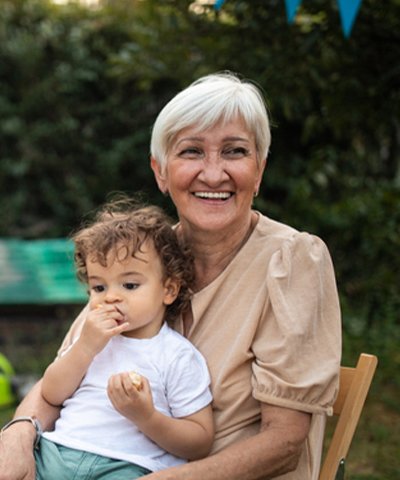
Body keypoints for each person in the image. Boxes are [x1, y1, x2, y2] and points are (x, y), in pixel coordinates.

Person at [0, 72, 341, 480]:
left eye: (234, 151)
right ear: (160, 171)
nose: (213, 174)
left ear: (260, 170)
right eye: (191, 151)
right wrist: (17, 436)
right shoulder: (138, 257)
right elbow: (57, 385)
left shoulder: (292, 260)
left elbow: (284, 444)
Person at [34, 200, 214, 479]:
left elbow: (200, 441)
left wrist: (146, 417)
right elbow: (51, 393)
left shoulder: (176, 355)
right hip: (59, 452)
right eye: (99, 287)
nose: (111, 297)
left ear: (168, 290)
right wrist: (85, 347)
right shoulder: (89, 338)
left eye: (129, 285)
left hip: (127, 466)